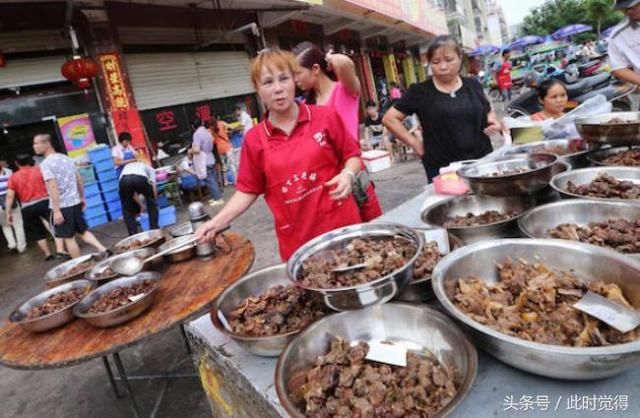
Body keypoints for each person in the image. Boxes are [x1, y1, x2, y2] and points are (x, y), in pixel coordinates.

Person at [195, 49, 363, 261]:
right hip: (299, 244)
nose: (278, 89)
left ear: (294, 80)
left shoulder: (325, 117)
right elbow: (247, 190)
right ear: (257, 89)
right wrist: (215, 223)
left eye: (284, 79)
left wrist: (348, 174)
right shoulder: (255, 139)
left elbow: (354, 155)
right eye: (267, 82)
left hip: (343, 229)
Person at [383, 35, 503, 182]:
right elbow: (390, 118)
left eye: (449, 60)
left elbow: (487, 109)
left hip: (482, 162)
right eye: (436, 62)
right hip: (443, 169)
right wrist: (415, 144)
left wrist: (493, 121)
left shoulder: (472, 85)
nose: (443, 66)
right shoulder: (420, 92)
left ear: (460, 58)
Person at [293, 42, 383, 221]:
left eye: (297, 73)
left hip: (354, 174)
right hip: (327, 181)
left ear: (316, 69)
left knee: (373, 232)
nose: (295, 79)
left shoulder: (345, 90)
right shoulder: (304, 106)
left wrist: (328, 57)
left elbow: (344, 63)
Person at [33, 134, 107, 258]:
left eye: (37, 143)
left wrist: (56, 211)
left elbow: (52, 187)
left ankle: (78, 264)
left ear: (47, 144)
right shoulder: (66, 158)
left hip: (62, 206)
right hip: (75, 202)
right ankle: (103, 249)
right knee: (82, 231)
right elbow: (79, 179)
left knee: (69, 238)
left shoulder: (46, 164)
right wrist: (82, 197)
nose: (34, 146)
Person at [5, 154, 69, 261]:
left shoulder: (13, 177)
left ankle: (48, 254)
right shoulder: (39, 170)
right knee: (56, 225)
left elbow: (10, 196)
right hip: (44, 202)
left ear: (16, 164)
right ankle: (60, 250)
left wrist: (8, 212)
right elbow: (51, 184)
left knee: (36, 231)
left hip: (27, 207)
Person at [119, 158, 158, 236]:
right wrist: (154, 201)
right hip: (140, 178)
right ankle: (154, 229)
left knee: (127, 209)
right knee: (151, 204)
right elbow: (153, 187)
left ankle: (133, 234)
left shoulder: (126, 167)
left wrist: (141, 205)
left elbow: (133, 195)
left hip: (124, 180)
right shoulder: (149, 168)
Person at [191, 118, 224, 207]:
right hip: (211, 157)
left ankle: (218, 198)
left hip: (204, 160)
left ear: (193, 127)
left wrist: (191, 150)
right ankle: (217, 196)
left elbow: (197, 149)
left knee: (210, 180)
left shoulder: (197, 134)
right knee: (213, 178)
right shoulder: (208, 132)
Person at [609, 0, 640, 88]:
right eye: (624, 9)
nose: (628, 12)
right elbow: (619, 68)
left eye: (633, 6)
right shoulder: (618, 35)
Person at [0, 160, 26, 254]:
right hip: (11, 202)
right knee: (18, 224)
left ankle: (12, 244)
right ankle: (21, 247)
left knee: (5, 226)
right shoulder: (9, 173)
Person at [228, 104, 253, 183]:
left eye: (235, 112)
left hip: (249, 136)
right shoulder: (242, 116)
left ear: (237, 110)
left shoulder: (243, 115)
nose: (235, 114)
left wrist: (233, 130)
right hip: (247, 137)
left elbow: (242, 127)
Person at [209, 114, 232, 186]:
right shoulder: (221, 123)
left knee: (223, 165)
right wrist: (226, 131)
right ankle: (236, 179)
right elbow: (231, 127)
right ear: (217, 118)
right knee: (231, 163)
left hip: (219, 149)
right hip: (226, 146)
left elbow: (213, 141)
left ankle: (225, 181)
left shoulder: (211, 129)